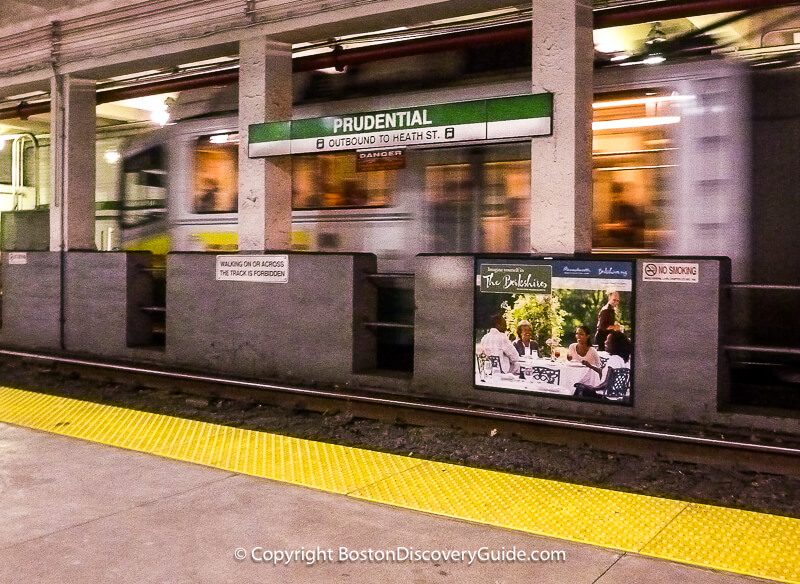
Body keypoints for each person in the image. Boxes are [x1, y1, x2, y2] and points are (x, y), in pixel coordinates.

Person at [574, 331, 631, 398]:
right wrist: (590, 366)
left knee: (580, 387)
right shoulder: (624, 359)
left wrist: (594, 388)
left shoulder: (614, 359)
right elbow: (605, 372)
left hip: (605, 396)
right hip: (617, 397)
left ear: (615, 344)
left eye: (608, 340)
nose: (605, 342)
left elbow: (607, 382)